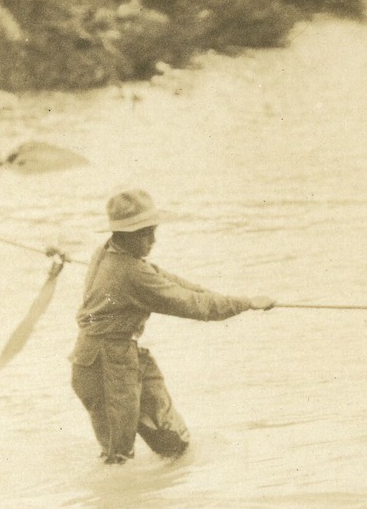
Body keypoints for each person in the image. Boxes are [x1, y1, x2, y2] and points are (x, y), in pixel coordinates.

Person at [71, 187, 274, 464]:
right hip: (105, 365)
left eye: (153, 230)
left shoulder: (109, 252)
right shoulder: (133, 273)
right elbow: (193, 306)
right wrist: (247, 303)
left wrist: (230, 298)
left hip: (114, 357)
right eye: (145, 233)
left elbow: (173, 282)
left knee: (173, 441)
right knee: (118, 458)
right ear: (124, 235)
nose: (153, 240)